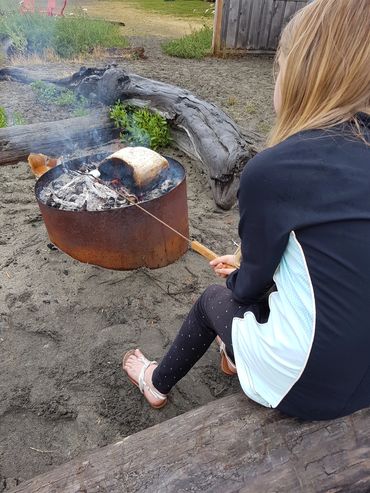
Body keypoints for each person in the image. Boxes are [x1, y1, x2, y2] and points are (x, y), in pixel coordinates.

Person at [123, 0, 370, 420]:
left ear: (299, 76)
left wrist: (239, 272)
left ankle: (155, 382)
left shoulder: (275, 171)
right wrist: (242, 255)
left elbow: (247, 288)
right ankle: (234, 352)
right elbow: (332, 244)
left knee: (213, 300)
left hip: (313, 387)